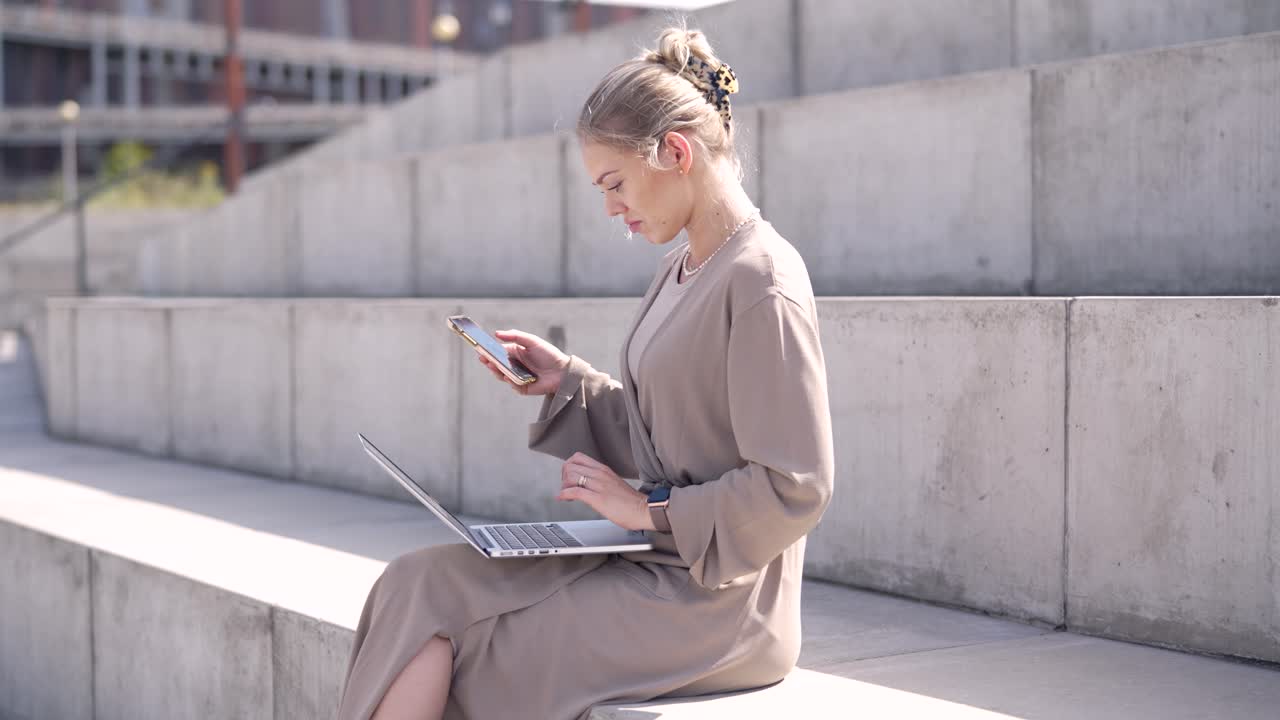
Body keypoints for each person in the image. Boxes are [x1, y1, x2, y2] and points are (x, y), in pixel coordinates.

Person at [337, 25, 834, 720]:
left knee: (451, 631)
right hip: (653, 561)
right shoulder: (683, 267)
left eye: (615, 183)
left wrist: (646, 509)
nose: (611, 208)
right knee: (414, 583)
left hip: (717, 603)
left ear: (676, 152)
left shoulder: (760, 281)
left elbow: (795, 485)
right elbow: (673, 431)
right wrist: (566, 383)